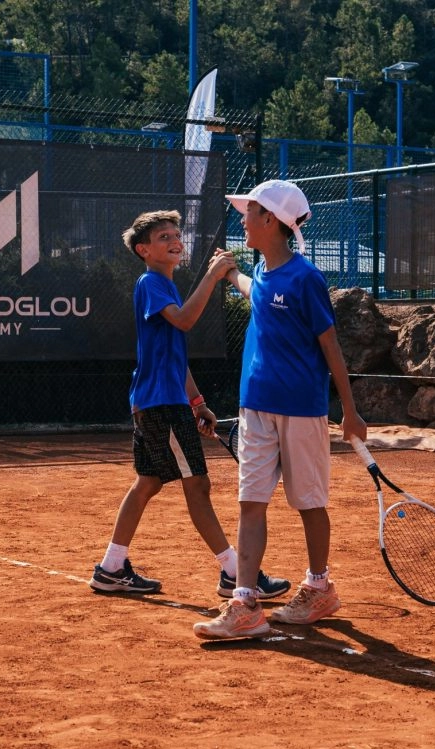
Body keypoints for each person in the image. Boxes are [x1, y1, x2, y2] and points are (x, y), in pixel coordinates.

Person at [193, 180, 367, 639]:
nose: (241, 220)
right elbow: (258, 291)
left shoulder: (306, 278)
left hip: (302, 410)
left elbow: (330, 347)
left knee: (309, 502)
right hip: (255, 407)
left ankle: (319, 587)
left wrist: (349, 411)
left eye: (248, 212)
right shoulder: (266, 276)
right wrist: (229, 276)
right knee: (250, 501)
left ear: (270, 220)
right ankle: (245, 604)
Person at [89, 209, 290, 601]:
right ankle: (234, 573)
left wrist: (196, 401)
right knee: (197, 485)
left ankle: (111, 568)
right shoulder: (152, 284)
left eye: (176, 234)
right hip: (161, 403)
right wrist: (214, 277)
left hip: (159, 400)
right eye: (163, 237)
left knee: (147, 482)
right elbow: (182, 322)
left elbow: (173, 356)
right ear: (144, 250)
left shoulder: (164, 286)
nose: (174, 240)